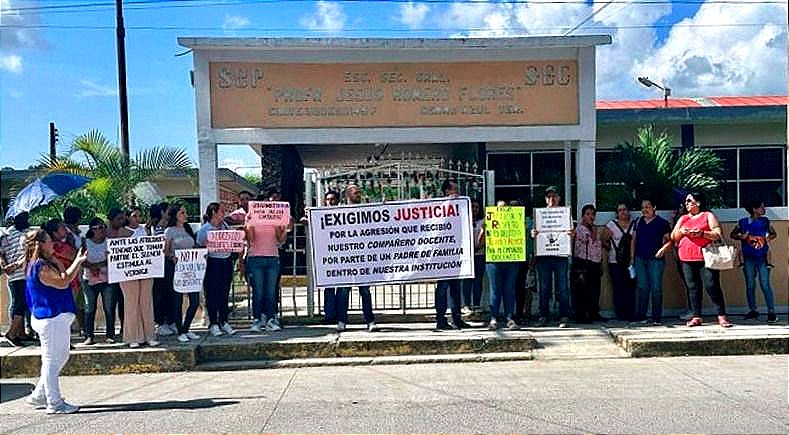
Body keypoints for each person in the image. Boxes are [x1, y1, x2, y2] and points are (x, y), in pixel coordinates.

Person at [23, 228, 88, 414]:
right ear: (40, 245)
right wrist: (77, 261)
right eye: (49, 241)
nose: (53, 243)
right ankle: (55, 403)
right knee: (52, 361)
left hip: (54, 318)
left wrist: (58, 259)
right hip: (50, 318)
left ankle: (39, 395)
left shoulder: (46, 262)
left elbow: (63, 276)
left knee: (60, 356)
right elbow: (63, 281)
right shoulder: (40, 266)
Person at [671, 192, 732, 328]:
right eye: (686, 201)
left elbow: (717, 234)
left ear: (698, 203)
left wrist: (702, 233)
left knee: (712, 285)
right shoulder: (683, 218)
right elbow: (674, 236)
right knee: (693, 287)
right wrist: (682, 231)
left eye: (689, 201)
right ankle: (696, 316)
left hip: (706, 257)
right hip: (686, 257)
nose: (686, 204)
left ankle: (722, 316)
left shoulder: (708, 215)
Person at [108, 208, 159, 348]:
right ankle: (132, 337)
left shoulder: (145, 230)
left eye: (139, 215)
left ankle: (149, 335)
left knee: (146, 303)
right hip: (128, 273)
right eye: (134, 216)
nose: (138, 218)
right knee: (131, 304)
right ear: (127, 217)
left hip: (146, 271)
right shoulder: (121, 232)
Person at [336, 184, 378, 332]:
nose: (358, 194)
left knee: (365, 292)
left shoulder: (365, 210)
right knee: (343, 291)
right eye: (355, 192)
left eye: (359, 192)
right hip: (345, 260)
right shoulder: (339, 211)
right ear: (348, 194)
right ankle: (341, 321)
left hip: (362, 260)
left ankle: (370, 320)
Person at [531, 186, 574, 328]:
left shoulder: (565, 214)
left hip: (560, 255)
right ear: (546, 199)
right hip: (544, 256)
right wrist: (533, 234)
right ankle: (543, 315)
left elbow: (571, 233)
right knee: (544, 287)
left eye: (554, 196)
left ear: (559, 198)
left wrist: (570, 234)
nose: (552, 199)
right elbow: (534, 233)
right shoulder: (539, 215)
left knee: (562, 287)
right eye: (549, 196)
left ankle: (564, 316)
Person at [245, 195, 288, 333]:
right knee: (258, 291)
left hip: (272, 258)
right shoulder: (251, 217)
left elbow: (280, 240)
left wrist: (283, 227)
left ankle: (270, 319)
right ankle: (257, 319)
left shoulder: (276, 219)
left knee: (270, 291)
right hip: (255, 258)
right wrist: (249, 225)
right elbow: (250, 240)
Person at [730, 199, 777, 323]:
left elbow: (773, 233)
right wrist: (742, 237)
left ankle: (771, 311)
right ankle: (753, 310)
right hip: (748, 257)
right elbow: (733, 234)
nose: (764, 209)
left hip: (763, 256)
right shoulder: (742, 222)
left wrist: (768, 237)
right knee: (750, 284)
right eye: (761, 207)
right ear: (755, 209)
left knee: (765, 284)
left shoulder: (765, 221)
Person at [433, 179, 471, 331]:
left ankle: (457, 318)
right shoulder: (437, 207)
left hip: (456, 254)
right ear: (447, 192)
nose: (458, 193)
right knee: (442, 288)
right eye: (455, 190)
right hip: (442, 255)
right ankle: (440, 319)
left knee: (456, 288)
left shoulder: (460, 207)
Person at [196, 202, 238, 337]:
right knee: (212, 294)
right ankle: (213, 323)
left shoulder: (225, 226)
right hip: (212, 262)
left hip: (225, 261)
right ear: (214, 213)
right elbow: (199, 247)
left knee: (224, 292)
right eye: (221, 211)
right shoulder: (205, 229)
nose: (224, 214)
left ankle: (224, 321)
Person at [630, 199, 672, 325]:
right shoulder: (638, 222)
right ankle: (641, 315)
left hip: (655, 259)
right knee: (642, 287)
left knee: (656, 288)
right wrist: (632, 257)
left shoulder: (662, 223)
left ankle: (656, 317)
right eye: (643, 207)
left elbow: (670, 240)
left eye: (647, 207)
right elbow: (634, 240)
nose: (645, 210)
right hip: (640, 258)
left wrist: (663, 250)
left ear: (654, 207)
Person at [164, 204, 201, 342]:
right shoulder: (169, 231)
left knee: (195, 301)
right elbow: (166, 251)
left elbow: (194, 247)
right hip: (176, 270)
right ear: (175, 216)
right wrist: (172, 257)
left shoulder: (188, 229)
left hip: (191, 270)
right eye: (182, 213)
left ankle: (186, 328)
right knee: (177, 301)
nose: (185, 215)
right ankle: (180, 331)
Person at [82, 217, 118, 345]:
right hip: (89, 280)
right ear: (93, 230)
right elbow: (80, 260)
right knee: (89, 308)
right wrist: (92, 267)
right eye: (100, 228)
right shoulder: (85, 242)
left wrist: (98, 265)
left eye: (104, 227)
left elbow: (114, 259)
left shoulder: (109, 242)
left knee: (109, 308)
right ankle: (89, 335)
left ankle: (110, 335)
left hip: (107, 279)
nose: (103, 230)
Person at [485, 200, 520, 330]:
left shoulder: (515, 223)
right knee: (495, 290)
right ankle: (493, 318)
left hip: (511, 260)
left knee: (509, 290)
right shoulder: (489, 223)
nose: (502, 210)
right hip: (494, 261)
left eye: (505, 208)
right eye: (499, 208)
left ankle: (509, 318)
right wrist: (484, 230)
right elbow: (480, 243)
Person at [1, 212, 31, 346]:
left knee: (23, 303)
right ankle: (12, 332)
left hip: (25, 272)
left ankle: (21, 332)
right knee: (18, 303)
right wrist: (4, 264)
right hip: (14, 275)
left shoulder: (29, 233)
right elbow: (1, 252)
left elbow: (30, 254)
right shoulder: (6, 234)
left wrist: (15, 265)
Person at [571, 204, 604, 323]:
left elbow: (597, 246)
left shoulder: (595, 228)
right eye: (588, 214)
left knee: (594, 289)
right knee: (581, 290)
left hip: (594, 262)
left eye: (593, 214)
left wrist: (600, 262)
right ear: (583, 216)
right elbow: (584, 242)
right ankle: (581, 315)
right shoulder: (579, 229)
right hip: (582, 261)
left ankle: (594, 313)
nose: (591, 217)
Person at [603, 203, 636, 321]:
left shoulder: (634, 224)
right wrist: (613, 250)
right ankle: (620, 313)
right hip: (614, 261)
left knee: (630, 287)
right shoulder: (611, 225)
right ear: (616, 213)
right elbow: (604, 240)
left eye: (625, 209)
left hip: (630, 262)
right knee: (618, 287)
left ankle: (630, 312)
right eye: (620, 210)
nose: (623, 212)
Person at [317, 191, 345, 325]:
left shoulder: (343, 214)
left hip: (342, 257)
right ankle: (329, 315)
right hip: (327, 256)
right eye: (328, 200)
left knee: (341, 288)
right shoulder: (320, 215)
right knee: (328, 288)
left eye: (332, 199)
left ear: (337, 201)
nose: (330, 202)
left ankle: (340, 315)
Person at [149, 203, 176, 337]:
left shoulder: (170, 228)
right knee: (159, 294)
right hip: (157, 265)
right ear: (161, 212)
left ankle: (171, 320)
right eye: (168, 211)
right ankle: (160, 322)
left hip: (170, 265)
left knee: (170, 293)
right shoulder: (155, 228)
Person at [105, 209, 127, 337]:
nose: (122, 221)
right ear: (111, 219)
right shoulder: (105, 233)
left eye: (123, 218)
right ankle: (110, 332)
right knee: (111, 304)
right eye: (119, 218)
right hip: (108, 274)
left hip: (123, 273)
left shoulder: (125, 231)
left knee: (123, 303)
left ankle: (125, 328)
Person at [462, 199, 486, 316]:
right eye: (472, 207)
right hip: (466, 255)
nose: (474, 209)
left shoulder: (483, 222)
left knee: (478, 281)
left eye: (476, 207)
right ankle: (466, 305)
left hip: (479, 254)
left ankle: (476, 304)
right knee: (467, 280)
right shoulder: (463, 220)